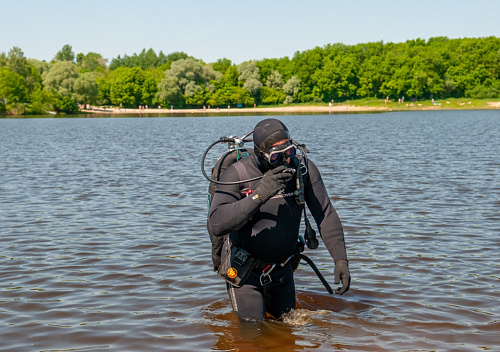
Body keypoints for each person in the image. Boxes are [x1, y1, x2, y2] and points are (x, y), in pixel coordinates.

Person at [208, 118, 350, 321]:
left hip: (282, 268)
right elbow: (217, 223)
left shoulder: (302, 170)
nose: (285, 160)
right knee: (253, 333)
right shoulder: (237, 174)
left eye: (289, 152)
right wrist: (260, 194)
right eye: (276, 156)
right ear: (260, 154)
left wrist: (341, 260)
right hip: (245, 271)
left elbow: (325, 214)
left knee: (286, 333)